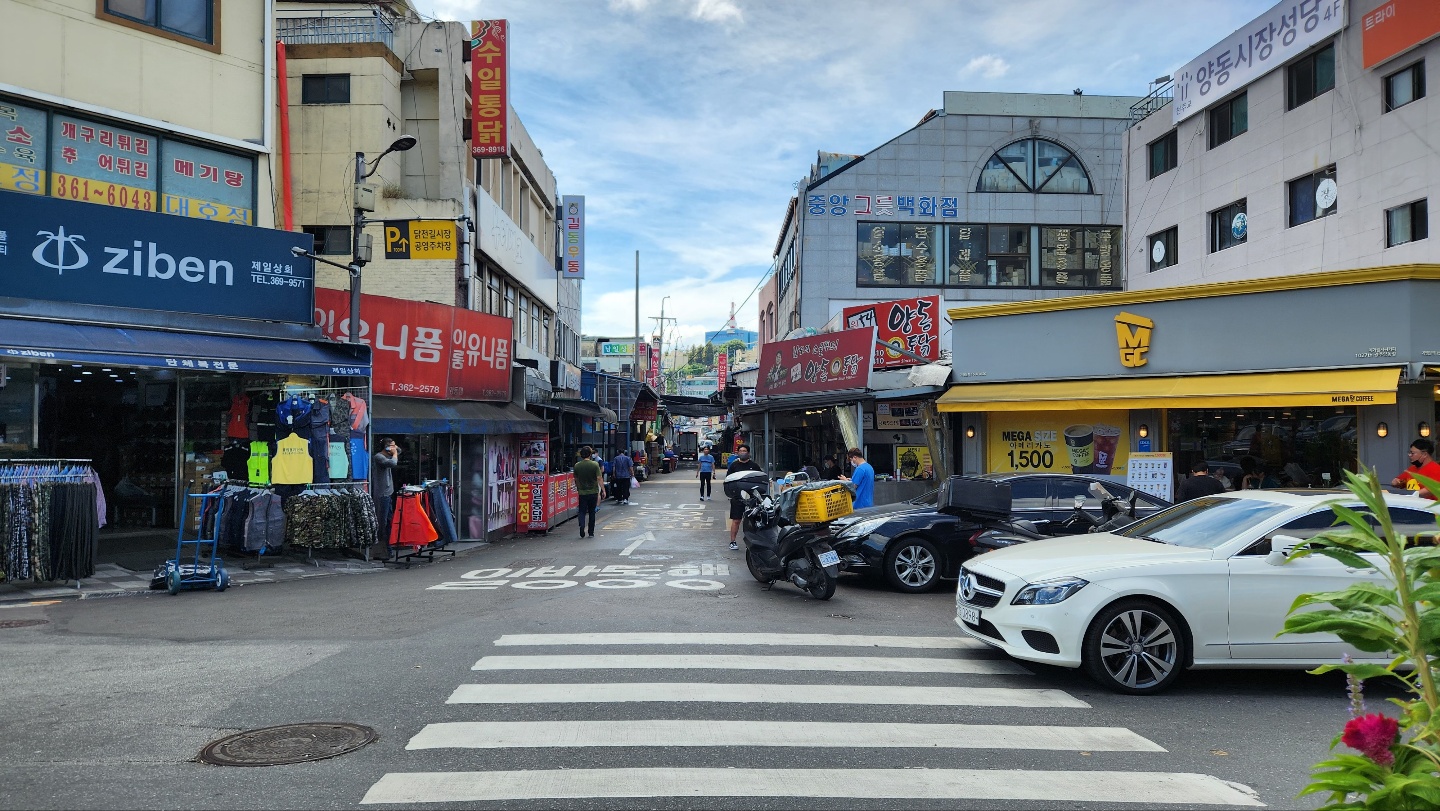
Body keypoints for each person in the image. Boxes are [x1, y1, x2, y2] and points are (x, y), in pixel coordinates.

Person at [725, 444, 763, 550]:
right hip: (737, 498)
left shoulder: (754, 466)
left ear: (748, 453)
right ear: (738, 453)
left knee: (753, 520)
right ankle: (732, 541)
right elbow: (728, 480)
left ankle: (755, 541)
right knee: (736, 520)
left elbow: (760, 479)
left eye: (744, 451)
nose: (742, 453)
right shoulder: (734, 466)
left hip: (752, 498)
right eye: (740, 451)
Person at [371, 438, 400, 551]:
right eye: (391, 446)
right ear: (386, 447)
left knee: (389, 520)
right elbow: (393, 463)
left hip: (388, 492)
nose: (394, 448)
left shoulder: (388, 455)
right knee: (382, 521)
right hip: (382, 493)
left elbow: (400, 451)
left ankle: (389, 547)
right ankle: (381, 547)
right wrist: (394, 453)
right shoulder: (379, 457)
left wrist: (395, 448)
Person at [572, 446, 603, 538]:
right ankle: (591, 532)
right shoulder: (595, 464)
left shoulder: (577, 465)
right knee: (592, 512)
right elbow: (599, 478)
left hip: (582, 492)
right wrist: (603, 489)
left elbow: (576, 479)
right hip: (593, 492)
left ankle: (582, 525)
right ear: (590, 454)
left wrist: (579, 488)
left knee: (582, 511)